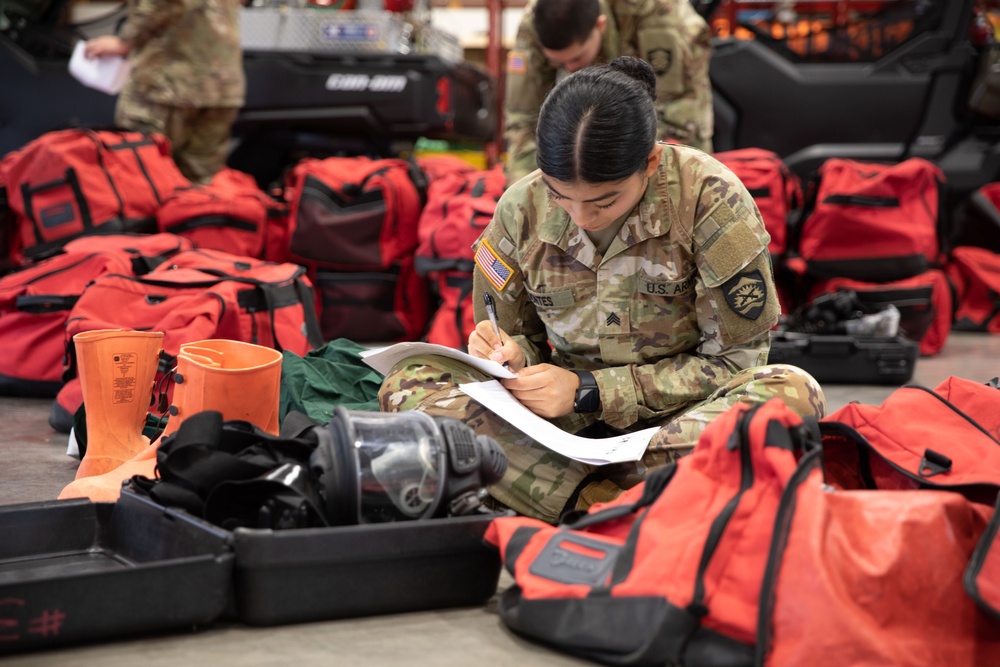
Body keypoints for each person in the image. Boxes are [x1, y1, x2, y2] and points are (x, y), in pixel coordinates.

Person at [379, 57, 825, 524]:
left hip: (678, 422)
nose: (580, 217)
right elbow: (518, 342)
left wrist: (589, 390)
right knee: (410, 381)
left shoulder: (709, 199)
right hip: (559, 425)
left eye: (604, 200)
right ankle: (623, 500)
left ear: (649, 162)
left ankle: (552, 494)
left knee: (792, 395)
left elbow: (737, 363)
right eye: (559, 196)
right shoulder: (519, 210)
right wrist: (511, 358)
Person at [503, 0, 714, 185]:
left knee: (676, 182)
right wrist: (526, 189)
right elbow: (522, 118)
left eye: (576, 59)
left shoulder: (654, 12)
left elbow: (678, 112)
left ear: (600, 25)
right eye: (558, 63)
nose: (568, 69)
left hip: (675, 68)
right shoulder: (534, 25)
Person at [83, 0, 246, 184]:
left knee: (141, 175)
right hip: (223, 85)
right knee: (201, 183)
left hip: (169, 82)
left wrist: (125, 40)